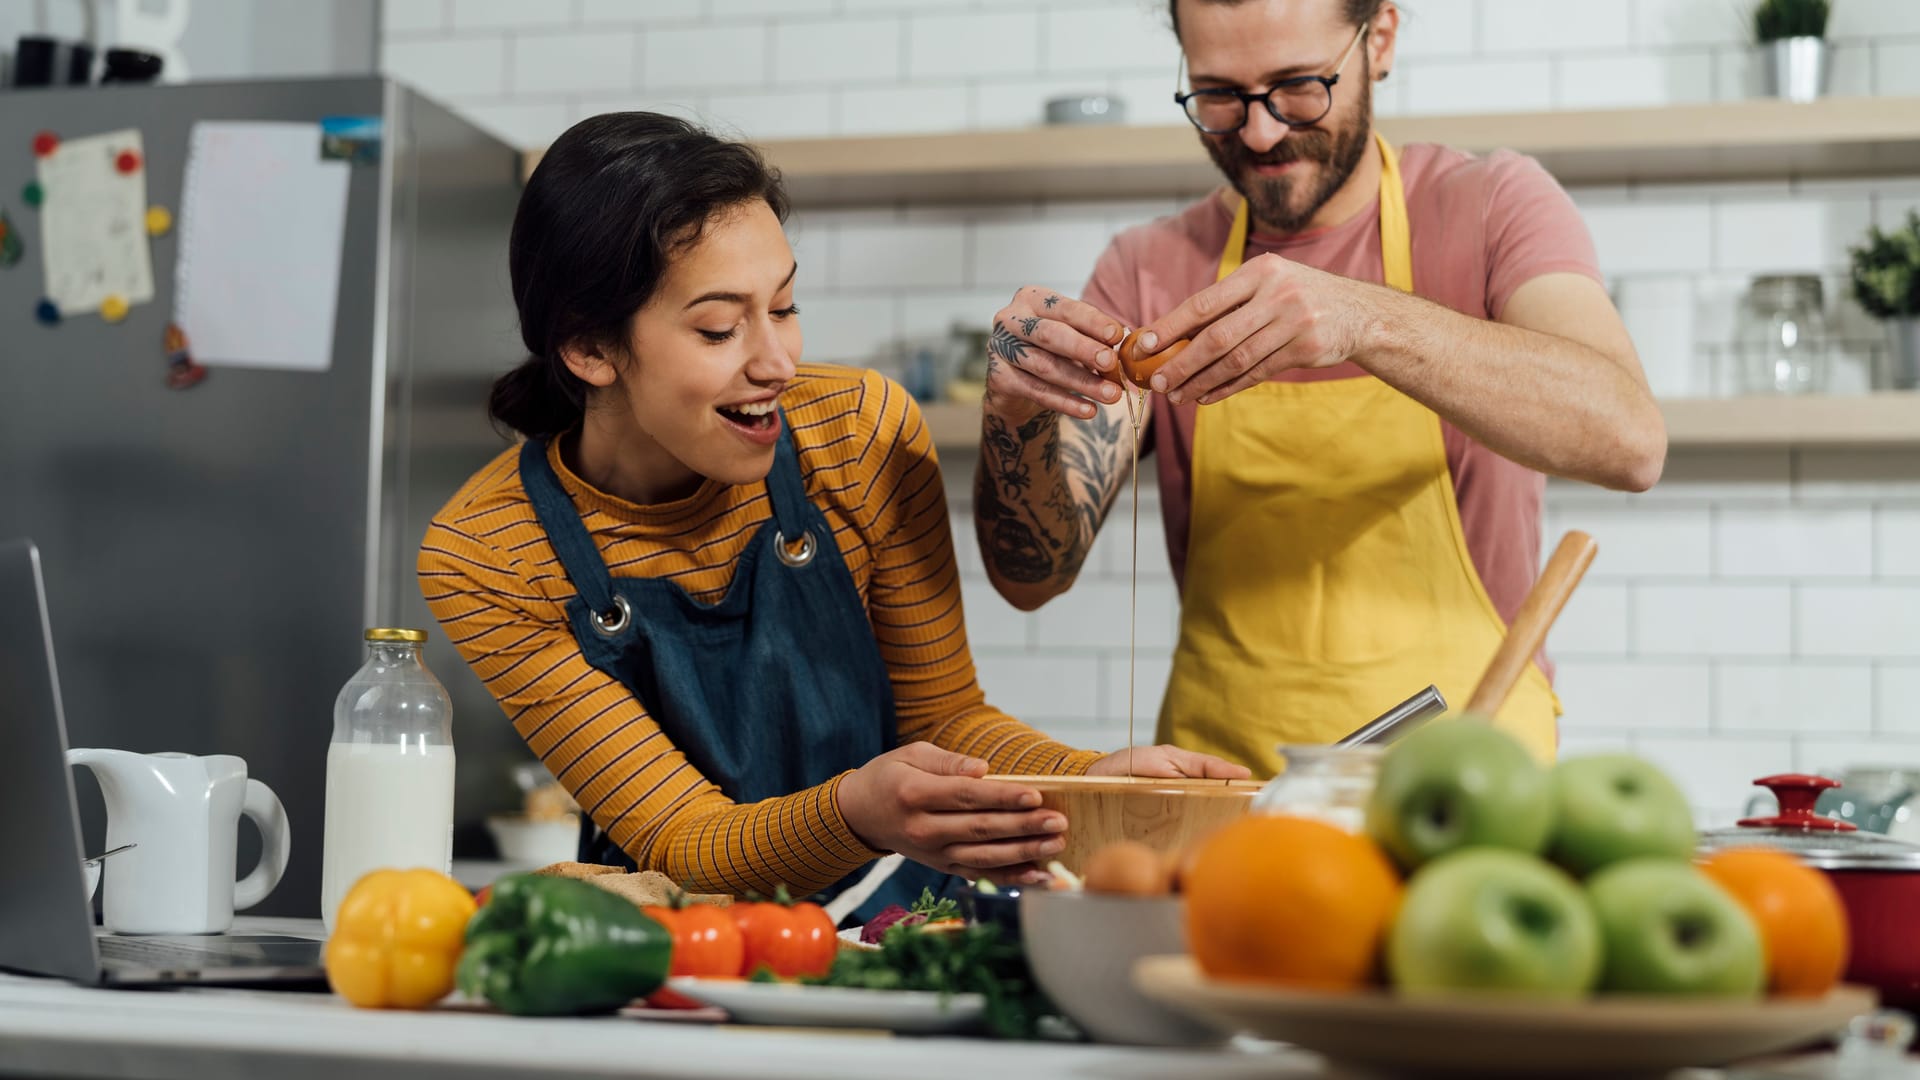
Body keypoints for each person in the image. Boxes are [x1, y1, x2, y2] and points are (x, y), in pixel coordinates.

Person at [418, 113, 1245, 921]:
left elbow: (945, 720)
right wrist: (854, 812)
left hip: (892, 928)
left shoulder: (857, 434)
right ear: (590, 349)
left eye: (782, 307)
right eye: (717, 327)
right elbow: (679, 835)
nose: (778, 363)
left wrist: (1091, 780)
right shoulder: (488, 554)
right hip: (671, 950)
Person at [972, 0, 1666, 772]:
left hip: (1468, 792)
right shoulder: (1150, 267)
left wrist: (1364, 319)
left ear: (1382, 40)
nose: (1260, 133)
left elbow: (1629, 441)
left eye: (1299, 87)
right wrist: (1015, 420)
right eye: (1219, 96)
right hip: (1224, 798)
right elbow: (1031, 578)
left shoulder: (1490, 206)